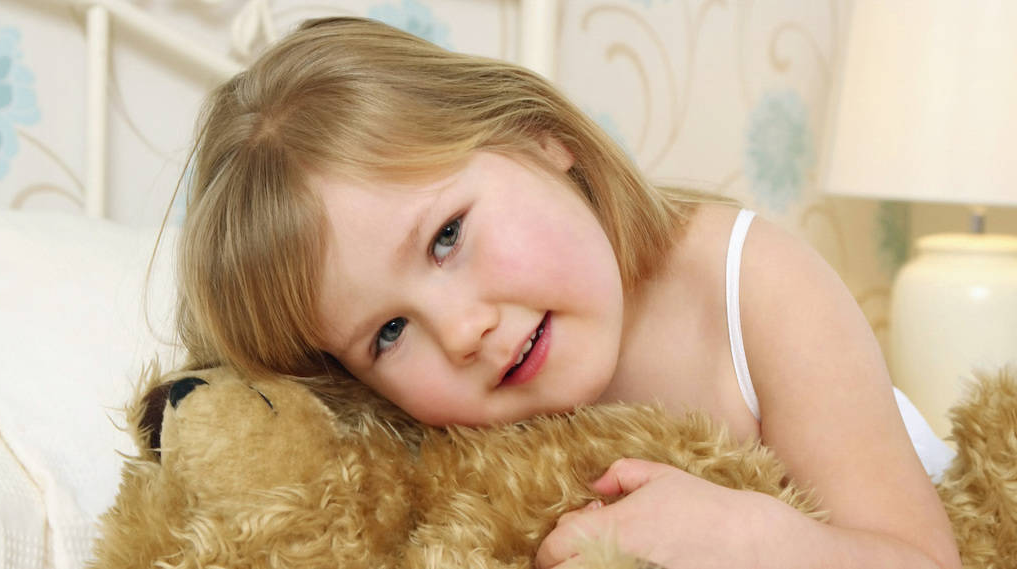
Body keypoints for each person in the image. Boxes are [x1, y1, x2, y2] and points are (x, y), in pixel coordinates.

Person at [173, 16, 961, 569]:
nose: (461, 332)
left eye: (447, 235)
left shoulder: (751, 284)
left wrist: (763, 546)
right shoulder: (440, 444)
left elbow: (925, 559)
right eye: (386, 333)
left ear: (543, 137)